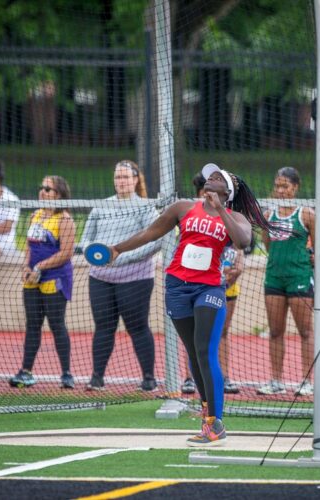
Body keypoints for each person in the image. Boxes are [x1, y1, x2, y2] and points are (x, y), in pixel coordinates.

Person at [107, 163, 272, 447]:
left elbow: (243, 240)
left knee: (205, 350)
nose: (212, 177)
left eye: (219, 177)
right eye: (211, 175)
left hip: (209, 288)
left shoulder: (235, 216)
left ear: (228, 191)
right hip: (177, 286)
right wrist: (118, 249)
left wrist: (220, 209)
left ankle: (216, 423)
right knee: (193, 354)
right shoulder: (183, 207)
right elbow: (150, 232)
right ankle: (207, 416)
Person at [79, 160, 162, 392]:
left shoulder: (145, 207)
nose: (121, 181)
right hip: (100, 277)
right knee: (103, 327)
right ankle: (97, 378)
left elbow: (157, 242)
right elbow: (85, 239)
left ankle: (148, 379)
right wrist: (95, 255)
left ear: (136, 180)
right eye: (117, 177)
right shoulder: (101, 207)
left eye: (126, 177)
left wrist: (121, 257)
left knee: (137, 327)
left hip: (135, 279)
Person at [9, 176, 75, 389]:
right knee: (32, 325)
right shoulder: (34, 216)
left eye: (48, 189)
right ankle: (26, 371)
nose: (43, 192)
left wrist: (41, 266)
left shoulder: (64, 220)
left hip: (55, 278)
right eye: (42, 188)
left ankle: (66, 374)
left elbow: (66, 253)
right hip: (33, 278)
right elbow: (29, 246)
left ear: (59, 194)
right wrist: (27, 267)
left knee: (57, 325)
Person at [181, 172, 244, 396]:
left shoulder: (231, 216)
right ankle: (190, 377)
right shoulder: (192, 216)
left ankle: (225, 377)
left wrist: (237, 267)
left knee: (222, 331)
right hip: (198, 282)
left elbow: (240, 248)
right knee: (194, 334)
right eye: (205, 192)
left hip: (225, 282)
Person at [256, 167, 315, 397]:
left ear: (295, 187)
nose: (280, 190)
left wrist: (309, 262)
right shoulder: (269, 215)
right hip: (274, 278)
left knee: (305, 331)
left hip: (299, 278)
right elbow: (268, 244)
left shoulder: (307, 214)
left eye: (285, 186)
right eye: (277, 186)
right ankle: (276, 381)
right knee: (275, 331)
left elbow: (319, 247)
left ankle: (306, 382)